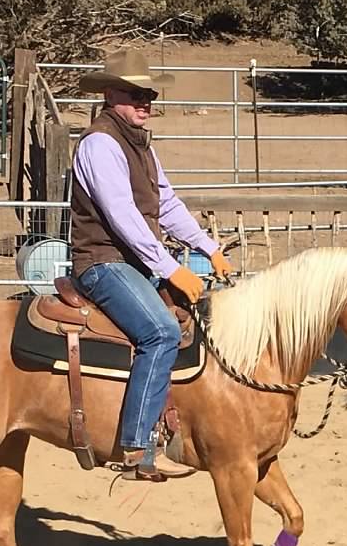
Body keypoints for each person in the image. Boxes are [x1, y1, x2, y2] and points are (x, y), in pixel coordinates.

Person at [70, 48, 233, 480]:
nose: (145, 102)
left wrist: (207, 247)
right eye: (135, 93)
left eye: (149, 94)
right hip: (101, 262)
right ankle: (136, 447)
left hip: (131, 261)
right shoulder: (101, 144)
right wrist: (169, 267)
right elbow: (123, 217)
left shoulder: (141, 145)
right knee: (160, 332)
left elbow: (166, 204)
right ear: (110, 94)